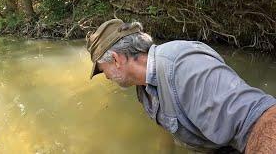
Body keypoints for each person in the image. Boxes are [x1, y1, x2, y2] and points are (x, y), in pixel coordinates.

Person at [86, 19, 276, 153]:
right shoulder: (144, 88)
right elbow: (169, 125)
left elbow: (262, 120)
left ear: (116, 60)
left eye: (104, 70)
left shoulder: (182, 67)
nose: (108, 77)